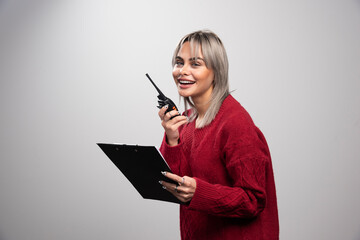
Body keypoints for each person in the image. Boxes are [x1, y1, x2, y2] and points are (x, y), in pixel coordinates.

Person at [158, 30, 279, 240]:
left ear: (216, 71)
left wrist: (199, 192)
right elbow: (176, 184)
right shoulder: (186, 120)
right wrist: (172, 138)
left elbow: (253, 200)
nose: (182, 71)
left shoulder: (235, 123)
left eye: (195, 64)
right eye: (179, 62)